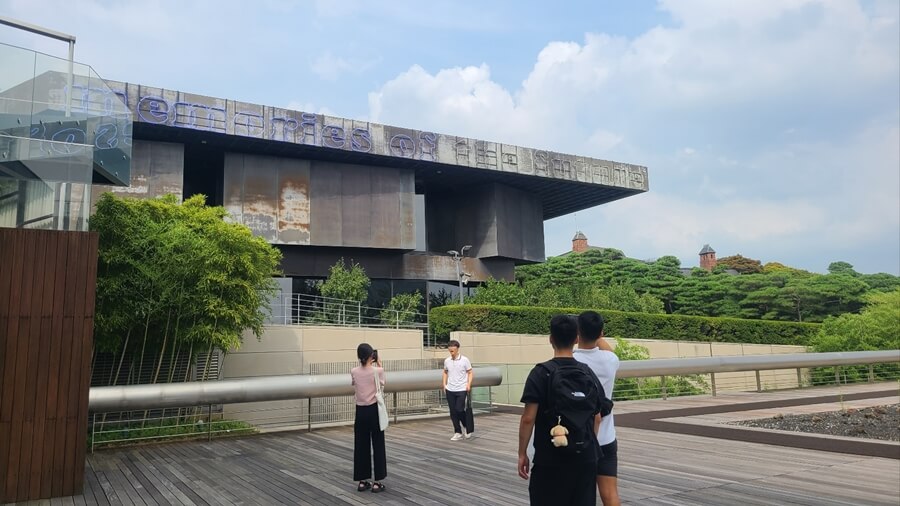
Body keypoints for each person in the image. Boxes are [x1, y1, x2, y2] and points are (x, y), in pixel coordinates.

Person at [518, 315, 608, 506]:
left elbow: (528, 418)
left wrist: (522, 453)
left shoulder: (540, 373)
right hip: (585, 458)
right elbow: (597, 417)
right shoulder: (586, 372)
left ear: (551, 339)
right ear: (576, 338)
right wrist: (584, 445)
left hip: (550, 457)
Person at [574, 311, 622, 506]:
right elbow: (606, 348)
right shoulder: (610, 361)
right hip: (607, 438)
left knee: (580, 494)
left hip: (579, 440)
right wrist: (598, 334)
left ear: (577, 333)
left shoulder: (570, 361)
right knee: (610, 495)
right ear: (601, 333)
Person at [351, 343, 387, 493]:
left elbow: (354, 384)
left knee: (360, 445)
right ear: (372, 355)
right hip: (374, 410)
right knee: (378, 443)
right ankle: (377, 482)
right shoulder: (377, 371)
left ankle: (362, 480)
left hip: (360, 411)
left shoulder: (353, 371)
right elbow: (383, 384)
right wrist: (379, 363)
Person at [442, 339, 474, 440]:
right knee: (453, 411)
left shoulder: (465, 360)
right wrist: (444, 384)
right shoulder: (447, 361)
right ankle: (457, 431)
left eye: (453, 351)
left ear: (457, 349)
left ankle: (466, 426)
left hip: (461, 388)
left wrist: (468, 384)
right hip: (450, 389)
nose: (451, 353)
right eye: (450, 351)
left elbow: (470, 372)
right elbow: (445, 372)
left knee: (459, 409)